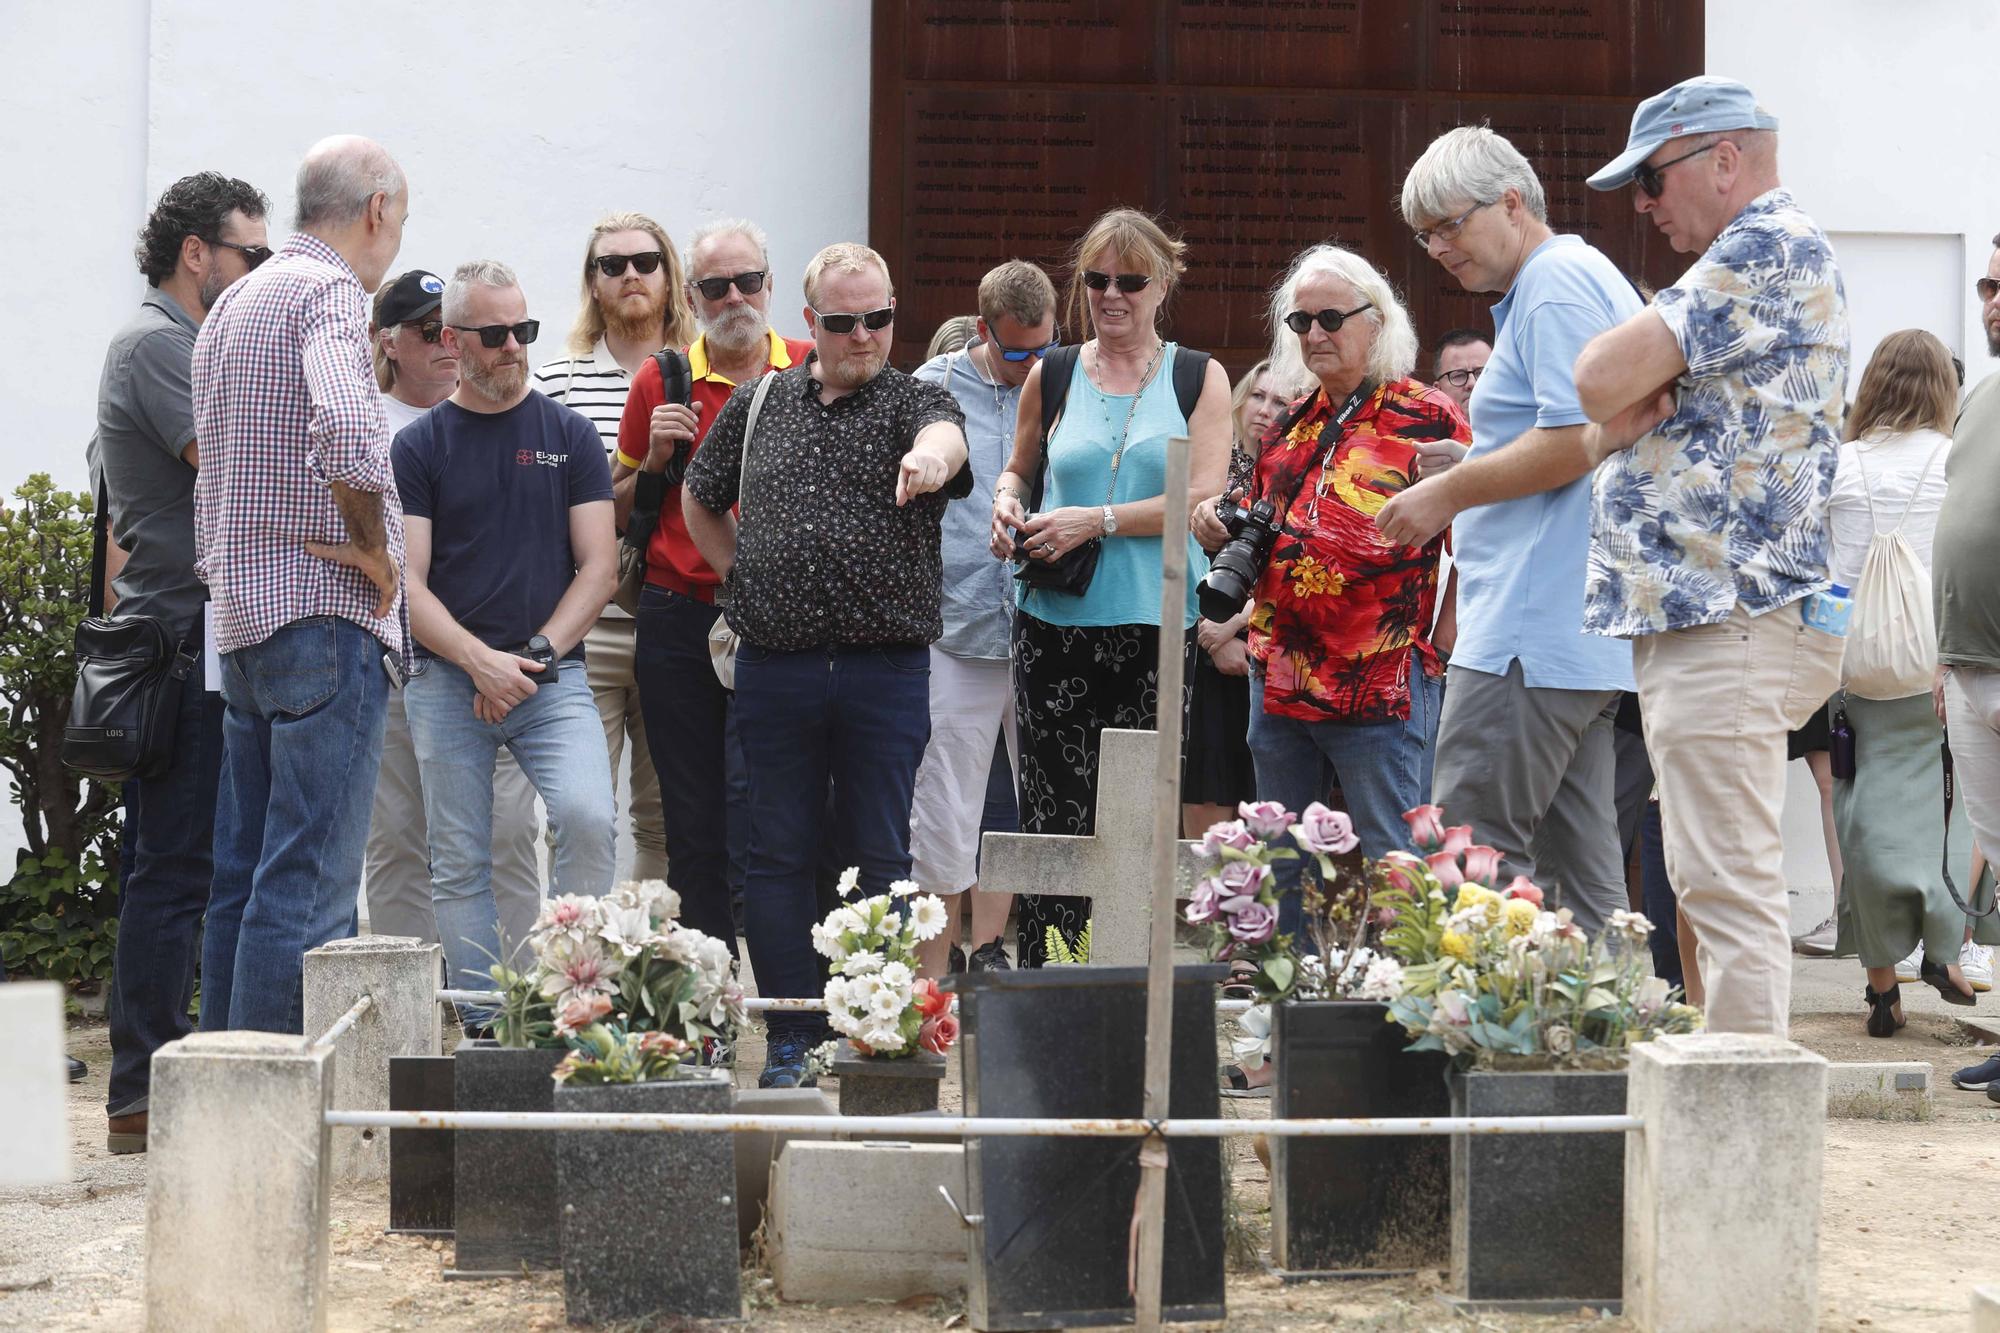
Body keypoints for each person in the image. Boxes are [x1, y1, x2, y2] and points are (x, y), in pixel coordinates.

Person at [1570, 76, 1848, 1036]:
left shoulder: (1763, 245)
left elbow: (1595, 378)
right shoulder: (1756, 251)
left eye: (1651, 179)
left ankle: (1744, 1128)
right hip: (1710, 612)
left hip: (1723, 613)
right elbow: (1604, 409)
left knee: (1725, 885)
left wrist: (1622, 403)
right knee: (1708, 876)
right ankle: (1729, 1102)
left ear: (1721, 159)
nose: (1644, 206)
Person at [682, 242, 971, 1086]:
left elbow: (947, 439)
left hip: (885, 671)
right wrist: (744, 577)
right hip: (777, 666)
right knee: (778, 850)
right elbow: (701, 497)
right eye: (843, 322)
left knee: (879, 853)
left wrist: (932, 461)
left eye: (879, 317)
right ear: (809, 324)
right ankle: (790, 1037)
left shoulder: (917, 398)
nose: (864, 335)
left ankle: (871, 1030)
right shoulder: (761, 398)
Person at [1375, 125, 1641, 938]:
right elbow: (1578, 432)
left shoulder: (1554, 282)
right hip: (1570, 637)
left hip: (1528, 632)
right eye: (1425, 234)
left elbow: (1573, 440)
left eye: (1450, 225)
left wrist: (1448, 493)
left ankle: (1465, 1058)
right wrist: (1478, 458)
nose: (1438, 248)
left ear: (1513, 202)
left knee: (1465, 861)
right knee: (1584, 891)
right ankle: (1612, 1054)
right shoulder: (1571, 275)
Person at [192, 134, 410, 1034]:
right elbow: (351, 431)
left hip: (243, 623)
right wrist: (375, 550)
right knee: (308, 884)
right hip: (320, 618)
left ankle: (224, 1093)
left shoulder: (235, 299)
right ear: (376, 211)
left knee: (242, 876)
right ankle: (268, 1116)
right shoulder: (327, 291)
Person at [989, 209, 1232, 967]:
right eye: (1096, 279)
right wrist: (1005, 503)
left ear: (1164, 284)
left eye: (1130, 280)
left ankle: (1127, 978)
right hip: (1054, 619)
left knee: (1135, 816)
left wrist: (1095, 519)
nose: (1111, 294)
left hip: (1156, 622)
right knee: (1055, 812)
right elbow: (1021, 468)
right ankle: (1056, 978)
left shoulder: (1198, 375)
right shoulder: (1052, 370)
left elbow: (1201, 502)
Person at [392, 260, 618, 1021]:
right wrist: (478, 663)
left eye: (523, 330)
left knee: (588, 818)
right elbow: (407, 583)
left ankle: (574, 1006)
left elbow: (600, 566)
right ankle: (489, 1031)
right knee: (459, 859)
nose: (515, 347)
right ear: (453, 340)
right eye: (496, 335)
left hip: (549, 680)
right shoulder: (420, 446)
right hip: (449, 681)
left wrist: (535, 658)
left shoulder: (569, 433)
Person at [97, 170, 269, 1152]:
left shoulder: (180, 342)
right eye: (248, 255)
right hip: (183, 643)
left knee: (171, 867)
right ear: (196, 253)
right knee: (177, 869)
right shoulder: (163, 345)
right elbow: (234, 460)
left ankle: (147, 1080)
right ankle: (146, 1091)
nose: (257, 274)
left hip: (186, 635)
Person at [1227, 243, 1463, 868]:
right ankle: (1284, 964)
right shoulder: (1288, 424)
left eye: (1332, 319)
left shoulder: (1429, 416)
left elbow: (1479, 535)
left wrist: (1441, 643)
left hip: (1378, 675)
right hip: (1279, 674)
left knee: (1396, 855)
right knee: (1281, 856)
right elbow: (1263, 531)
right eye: (1301, 321)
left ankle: (1401, 969)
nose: (1315, 334)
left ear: (1375, 322)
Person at [616, 218, 811, 953]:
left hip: (780, 620)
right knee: (691, 816)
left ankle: (783, 986)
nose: (735, 298)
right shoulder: (660, 380)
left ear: (770, 281)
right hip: (678, 616)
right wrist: (654, 459)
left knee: (764, 808)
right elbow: (613, 506)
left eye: (748, 281)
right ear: (692, 297)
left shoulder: (809, 366)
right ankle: (709, 996)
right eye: (716, 286)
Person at [362, 269, 544, 961]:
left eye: (449, 328)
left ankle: (520, 992)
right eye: (423, 329)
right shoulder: (367, 422)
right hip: (395, 660)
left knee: (505, 834)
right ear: (389, 341)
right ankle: (411, 994)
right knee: (400, 835)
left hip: (496, 665)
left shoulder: (519, 414)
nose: (443, 343)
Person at [1818, 330, 1982, 1033]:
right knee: (1962, 807)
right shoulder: (1958, 461)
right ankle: (1946, 945)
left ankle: (1882, 984)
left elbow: (1826, 575)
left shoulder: (1839, 465)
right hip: (1941, 662)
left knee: (1860, 810)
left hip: (1858, 667)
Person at [531, 212, 694, 884]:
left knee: (668, 817)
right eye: (612, 264)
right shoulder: (557, 382)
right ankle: (578, 975)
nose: (631, 274)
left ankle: (649, 977)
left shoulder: (702, 372)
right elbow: (544, 516)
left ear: (670, 277)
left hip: (674, 618)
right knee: (578, 813)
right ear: (592, 284)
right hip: (583, 631)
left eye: (646, 262)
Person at [908, 261, 1060, 977]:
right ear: (981, 330)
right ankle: (930, 980)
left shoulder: (1074, 379)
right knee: (945, 803)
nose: (1033, 365)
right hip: (956, 627)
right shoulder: (931, 387)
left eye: (1044, 348)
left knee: (1047, 804)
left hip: (1051, 626)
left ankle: (1010, 955)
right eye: (1016, 353)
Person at [1183, 360, 1290, 837]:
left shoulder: (1296, 474)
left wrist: (1234, 627)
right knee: (1203, 784)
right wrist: (1212, 635)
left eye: (1281, 402)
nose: (1265, 410)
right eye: (1258, 396)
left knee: (1262, 796)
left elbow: (1297, 568)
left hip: (1265, 644)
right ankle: (1200, 911)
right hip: (1196, 641)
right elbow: (1178, 550)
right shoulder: (1209, 467)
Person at [1430, 327, 1491, 416]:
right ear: (1438, 390)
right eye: (1459, 376)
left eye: (1482, 373)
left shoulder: (1517, 427)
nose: (1472, 383)